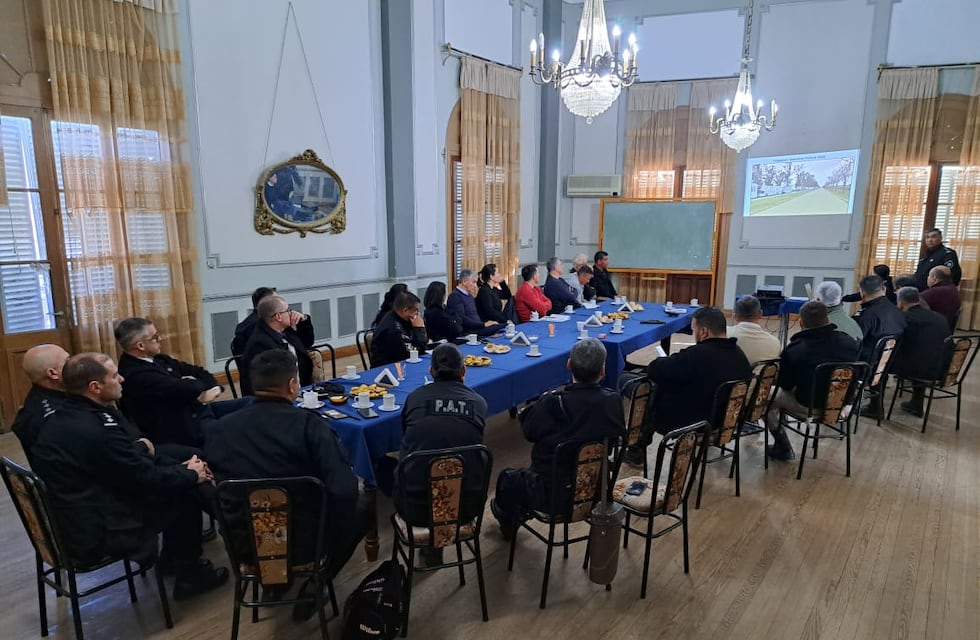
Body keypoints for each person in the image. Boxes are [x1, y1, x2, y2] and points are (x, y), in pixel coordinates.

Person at [31, 353, 229, 600]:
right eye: (114, 376)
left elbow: (126, 460)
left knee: (185, 474)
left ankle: (183, 557)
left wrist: (184, 468)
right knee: (183, 494)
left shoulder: (73, 413)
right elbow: (142, 477)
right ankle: (192, 572)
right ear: (95, 387)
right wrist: (189, 474)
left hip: (83, 504)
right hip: (96, 526)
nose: (122, 378)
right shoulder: (95, 429)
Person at [204, 350, 370, 619]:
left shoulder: (218, 430)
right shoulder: (310, 426)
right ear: (293, 385)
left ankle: (273, 583)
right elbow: (344, 490)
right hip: (305, 543)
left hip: (245, 543)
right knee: (362, 505)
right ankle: (317, 582)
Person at [491, 339, 624, 538]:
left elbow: (529, 431)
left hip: (551, 494)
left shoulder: (553, 404)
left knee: (507, 478)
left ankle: (511, 523)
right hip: (596, 490)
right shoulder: (613, 402)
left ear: (568, 365)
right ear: (603, 371)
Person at [621, 307, 752, 466]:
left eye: (693, 330)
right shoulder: (740, 355)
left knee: (643, 386)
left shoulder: (696, 355)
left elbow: (656, 369)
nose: (693, 335)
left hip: (692, 421)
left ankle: (635, 449)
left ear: (703, 331)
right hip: (726, 422)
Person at [395, 344, 487, 564]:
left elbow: (406, 438)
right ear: (464, 371)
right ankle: (439, 541)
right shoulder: (478, 403)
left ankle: (432, 545)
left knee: (390, 464)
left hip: (415, 509)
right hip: (465, 507)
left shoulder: (415, 399)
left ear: (431, 372)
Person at [116, 318, 251, 447]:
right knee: (242, 430)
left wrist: (214, 388)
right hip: (184, 428)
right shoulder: (136, 375)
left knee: (252, 403)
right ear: (140, 345)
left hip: (197, 411)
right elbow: (188, 388)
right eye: (155, 337)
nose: (160, 339)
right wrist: (192, 386)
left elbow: (197, 371)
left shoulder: (159, 358)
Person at [766, 302, 860, 461]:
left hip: (808, 405)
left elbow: (785, 385)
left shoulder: (795, 349)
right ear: (828, 320)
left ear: (801, 323)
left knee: (766, 397)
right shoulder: (850, 342)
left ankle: (782, 445)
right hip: (842, 405)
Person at [892, 287, 953, 417]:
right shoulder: (939, 317)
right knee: (923, 354)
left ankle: (874, 406)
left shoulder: (904, 318)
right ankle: (916, 402)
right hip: (944, 369)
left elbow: (896, 343)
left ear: (900, 303)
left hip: (919, 370)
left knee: (881, 359)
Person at [240, 295, 315, 396]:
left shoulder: (286, 331)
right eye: (288, 310)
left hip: (301, 390)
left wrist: (303, 320)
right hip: (278, 400)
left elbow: (307, 343)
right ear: (278, 316)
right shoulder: (260, 343)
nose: (292, 313)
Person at [854, 275, 906, 418]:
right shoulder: (897, 311)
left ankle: (839, 404)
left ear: (862, 293)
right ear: (884, 290)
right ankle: (875, 407)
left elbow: (854, 340)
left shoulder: (866, 315)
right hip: (888, 364)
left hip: (864, 367)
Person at [11, 344, 70, 463]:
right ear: (52, 373)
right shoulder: (56, 417)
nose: (74, 366)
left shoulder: (36, 397)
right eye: (67, 362)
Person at [371, 291, 429, 367]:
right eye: (416, 310)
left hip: (399, 361)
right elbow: (415, 353)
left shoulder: (396, 316)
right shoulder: (394, 330)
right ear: (405, 311)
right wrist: (419, 329)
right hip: (387, 368)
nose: (417, 314)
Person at [448, 269, 503, 336]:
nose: (475, 286)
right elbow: (462, 319)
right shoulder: (455, 297)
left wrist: (485, 323)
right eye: (473, 282)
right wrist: (483, 324)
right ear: (464, 281)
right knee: (501, 327)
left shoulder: (470, 296)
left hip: (478, 327)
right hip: (469, 332)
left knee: (503, 326)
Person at [728, 295, 781, 365]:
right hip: (759, 375)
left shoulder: (724, 335)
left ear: (735, 316)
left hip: (730, 375)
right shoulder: (775, 343)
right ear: (760, 314)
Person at [920, 266, 962, 331]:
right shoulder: (953, 289)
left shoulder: (933, 293)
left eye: (929, 276)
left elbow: (913, 303)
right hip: (945, 329)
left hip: (931, 330)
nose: (927, 278)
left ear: (934, 279)